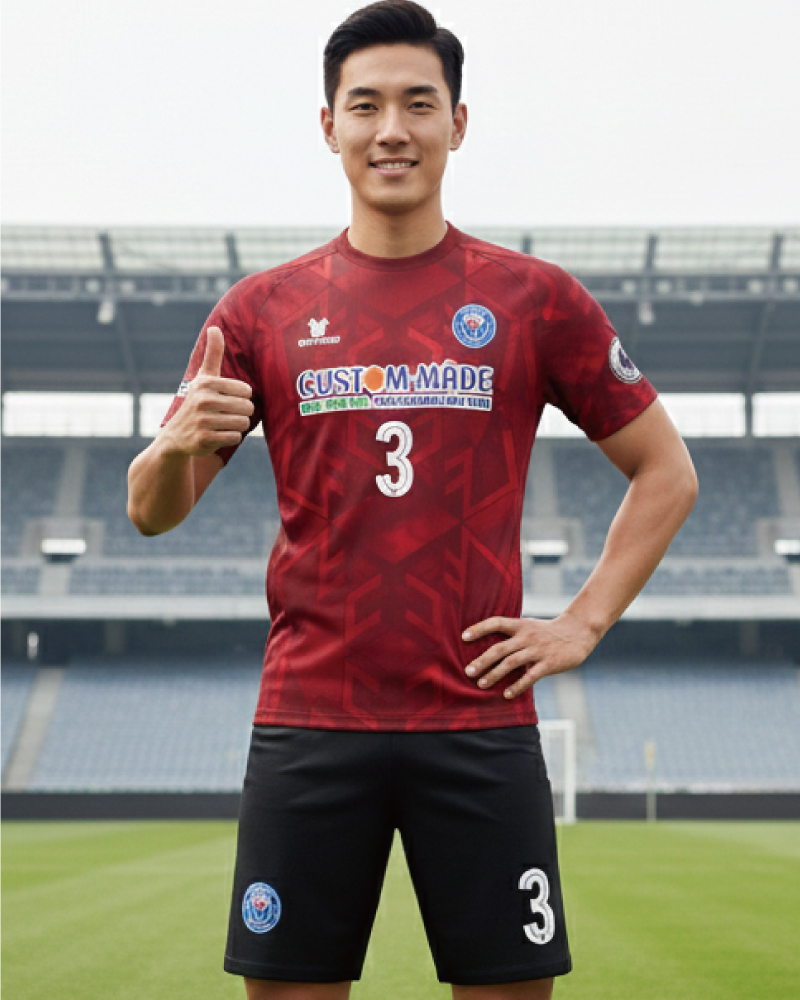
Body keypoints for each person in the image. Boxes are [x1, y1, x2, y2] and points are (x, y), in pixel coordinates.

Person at [127, 2, 698, 997]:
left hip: (478, 722)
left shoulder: (534, 299)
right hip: (311, 720)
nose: (391, 128)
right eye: (365, 105)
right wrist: (174, 443)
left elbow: (667, 470)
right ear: (328, 126)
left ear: (457, 123)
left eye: (417, 103)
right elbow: (150, 510)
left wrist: (581, 621)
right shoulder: (259, 312)